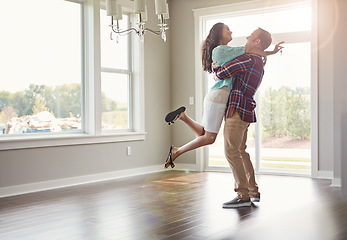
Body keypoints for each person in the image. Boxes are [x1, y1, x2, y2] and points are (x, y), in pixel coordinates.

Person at [164, 23, 283, 169]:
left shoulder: (229, 51)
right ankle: (177, 151)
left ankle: (183, 117)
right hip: (220, 95)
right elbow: (252, 51)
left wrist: (270, 52)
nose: (231, 30)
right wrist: (271, 52)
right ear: (219, 33)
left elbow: (253, 52)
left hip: (217, 95)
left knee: (204, 134)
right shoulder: (221, 50)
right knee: (209, 138)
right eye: (227, 29)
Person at [212, 27, 274, 208]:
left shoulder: (247, 58)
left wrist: (216, 70)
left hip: (237, 110)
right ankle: (253, 192)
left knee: (231, 152)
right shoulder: (258, 60)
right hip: (246, 111)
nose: (247, 36)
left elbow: (222, 73)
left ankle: (242, 196)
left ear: (257, 43)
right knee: (241, 151)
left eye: (251, 36)